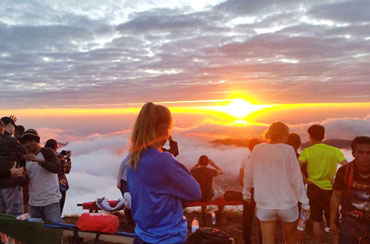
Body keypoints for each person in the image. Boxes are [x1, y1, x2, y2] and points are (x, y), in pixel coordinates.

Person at [126, 102, 201, 244]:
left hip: (142, 236)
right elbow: (195, 192)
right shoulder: (164, 162)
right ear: (162, 130)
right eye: (169, 128)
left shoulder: (131, 160)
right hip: (168, 238)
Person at [243, 122, 309, 244]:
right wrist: (305, 202)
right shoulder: (288, 150)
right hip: (287, 204)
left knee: (267, 241)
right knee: (290, 240)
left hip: (265, 204)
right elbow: (296, 178)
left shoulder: (257, 149)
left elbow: (248, 173)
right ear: (284, 135)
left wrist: (246, 192)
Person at [298, 124, 347, 244]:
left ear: (310, 137)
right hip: (330, 189)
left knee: (316, 219)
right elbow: (346, 166)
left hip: (313, 189)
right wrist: (338, 182)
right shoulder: (334, 151)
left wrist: (305, 179)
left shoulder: (307, 152)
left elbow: (296, 168)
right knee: (333, 220)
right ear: (323, 135)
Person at [330, 136, 370, 243]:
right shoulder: (344, 171)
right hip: (349, 220)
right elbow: (336, 197)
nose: (365, 156)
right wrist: (332, 222)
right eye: (361, 152)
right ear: (353, 154)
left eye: (368, 153)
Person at [22, 129, 62, 223]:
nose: (27, 144)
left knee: (53, 231)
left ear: (37, 141)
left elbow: (56, 168)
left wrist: (39, 161)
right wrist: (22, 176)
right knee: (36, 233)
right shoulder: (26, 158)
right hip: (34, 202)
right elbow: (27, 180)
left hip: (50, 200)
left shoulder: (47, 152)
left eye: (30, 141)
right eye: (25, 142)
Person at [0, 116, 27, 244]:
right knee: (13, 213)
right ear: (9, 126)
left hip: (1, 181)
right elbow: (24, 152)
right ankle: (10, 241)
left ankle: (3, 239)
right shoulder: (10, 140)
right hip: (11, 181)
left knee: (1, 212)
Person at [239, 138, 261, 244]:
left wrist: (246, 189)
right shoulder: (265, 160)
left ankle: (246, 240)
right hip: (262, 190)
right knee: (263, 216)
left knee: (247, 216)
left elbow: (241, 177)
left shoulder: (245, 160)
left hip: (249, 190)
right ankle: (263, 239)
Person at [45, 139, 72, 215]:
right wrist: (68, 158)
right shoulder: (60, 158)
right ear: (55, 147)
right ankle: (57, 219)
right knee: (59, 206)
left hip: (46, 184)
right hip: (60, 185)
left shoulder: (43, 156)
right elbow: (67, 170)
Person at [117, 155, 134, 224]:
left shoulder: (137, 161)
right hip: (124, 182)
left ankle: (133, 219)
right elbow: (120, 171)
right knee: (127, 201)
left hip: (132, 183)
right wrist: (118, 183)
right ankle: (128, 219)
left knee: (132, 201)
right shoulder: (125, 160)